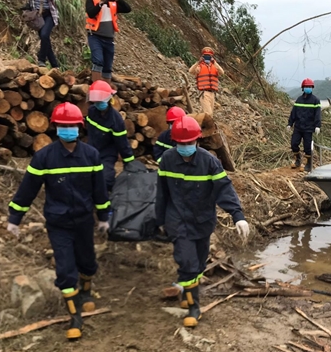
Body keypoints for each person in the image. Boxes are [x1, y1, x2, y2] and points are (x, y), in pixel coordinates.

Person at [6, 103, 110, 341]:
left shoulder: (91, 156)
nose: (68, 129)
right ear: (55, 128)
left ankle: (86, 294)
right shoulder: (44, 158)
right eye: (63, 126)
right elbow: (27, 190)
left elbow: (100, 191)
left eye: (71, 126)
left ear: (79, 127)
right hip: (58, 222)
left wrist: (104, 217)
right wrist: (15, 218)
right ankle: (75, 318)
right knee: (65, 269)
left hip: (84, 219)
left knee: (87, 261)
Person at [156, 117, 249, 328]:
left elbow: (224, 189)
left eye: (190, 143)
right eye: (182, 143)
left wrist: (238, 216)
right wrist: (159, 220)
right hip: (177, 220)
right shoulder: (168, 160)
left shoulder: (209, 162)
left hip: (202, 221)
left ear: (197, 141)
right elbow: (162, 194)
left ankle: (186, 290)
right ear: (175, 142)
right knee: (187, 262)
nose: (186, 147)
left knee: (197, 264)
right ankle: (193, 307)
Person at [85, 80, 135, 191]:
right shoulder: (92, 111)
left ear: (108, 99)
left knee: (105, 181)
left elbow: (122, 143)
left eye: (100, 99)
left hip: (106, 156)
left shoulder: (116, 120)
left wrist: (129, 163)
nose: (98, 102)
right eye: (95, 100)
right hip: (90, 151)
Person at [15, 0, 63, 68]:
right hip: (37, 16)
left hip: (49, 14)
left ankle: (41, 60)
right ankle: (55, 66)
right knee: (44, 38)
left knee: (45, 35)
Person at [86, 0, 132, 82]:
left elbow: (128, 9)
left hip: (109, 38)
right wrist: (101, 3)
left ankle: (105, 92)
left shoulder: (113, 3)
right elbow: (91, 13)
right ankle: (96, 88)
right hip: (95, 35)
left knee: (107, 66)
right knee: (98, 60)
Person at [287, 78, 321, 172]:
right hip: (298, 127)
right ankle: (297, 160)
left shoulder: (315, 100)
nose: (308, 88)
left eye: (309, 86)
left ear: (312, 88)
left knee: (307, 147)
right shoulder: (299, 99)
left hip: (309, 128)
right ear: (303, 88)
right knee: (294, 144)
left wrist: (317, 126)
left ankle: (308, 164)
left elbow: (318, 114)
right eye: (306, 86)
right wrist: (290, 123)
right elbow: (293, 112)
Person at [189, 47, 224, 115]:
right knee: (208, 114)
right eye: (206, 56)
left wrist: (215, 63)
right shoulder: (199, 66)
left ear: (212, 57)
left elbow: (222, 72)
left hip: (212, 94)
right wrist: (198, 62)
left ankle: (198, 123)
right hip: (204, 93)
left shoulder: (214, 66)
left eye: (209, 56)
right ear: (202, 57)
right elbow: (190, 71)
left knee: (207, 114)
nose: (207, 58)